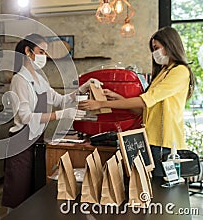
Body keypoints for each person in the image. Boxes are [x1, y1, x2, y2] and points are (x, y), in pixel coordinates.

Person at [78, 26, 195, 176]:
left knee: (161, 191)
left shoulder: (179, 71)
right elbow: (143, 111)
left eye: (156, 48)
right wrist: (119, 98)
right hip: (149, 141)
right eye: (153, 49)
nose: (155, 53)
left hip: (165, 144)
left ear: (169, 45)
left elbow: (144, 101)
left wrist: (102, 104)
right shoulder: (163, 71)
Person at [1, 33, 100, 209]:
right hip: (20, 143)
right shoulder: (19, 80)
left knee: (33, 192)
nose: (44, 56)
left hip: (36, 141)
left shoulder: (40, 79)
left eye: (46, 53)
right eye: (41, 51)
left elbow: (60, 100)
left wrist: (83, 88)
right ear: (28, 51)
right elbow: (25, 117)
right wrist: (61, 115)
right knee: (18, 193)